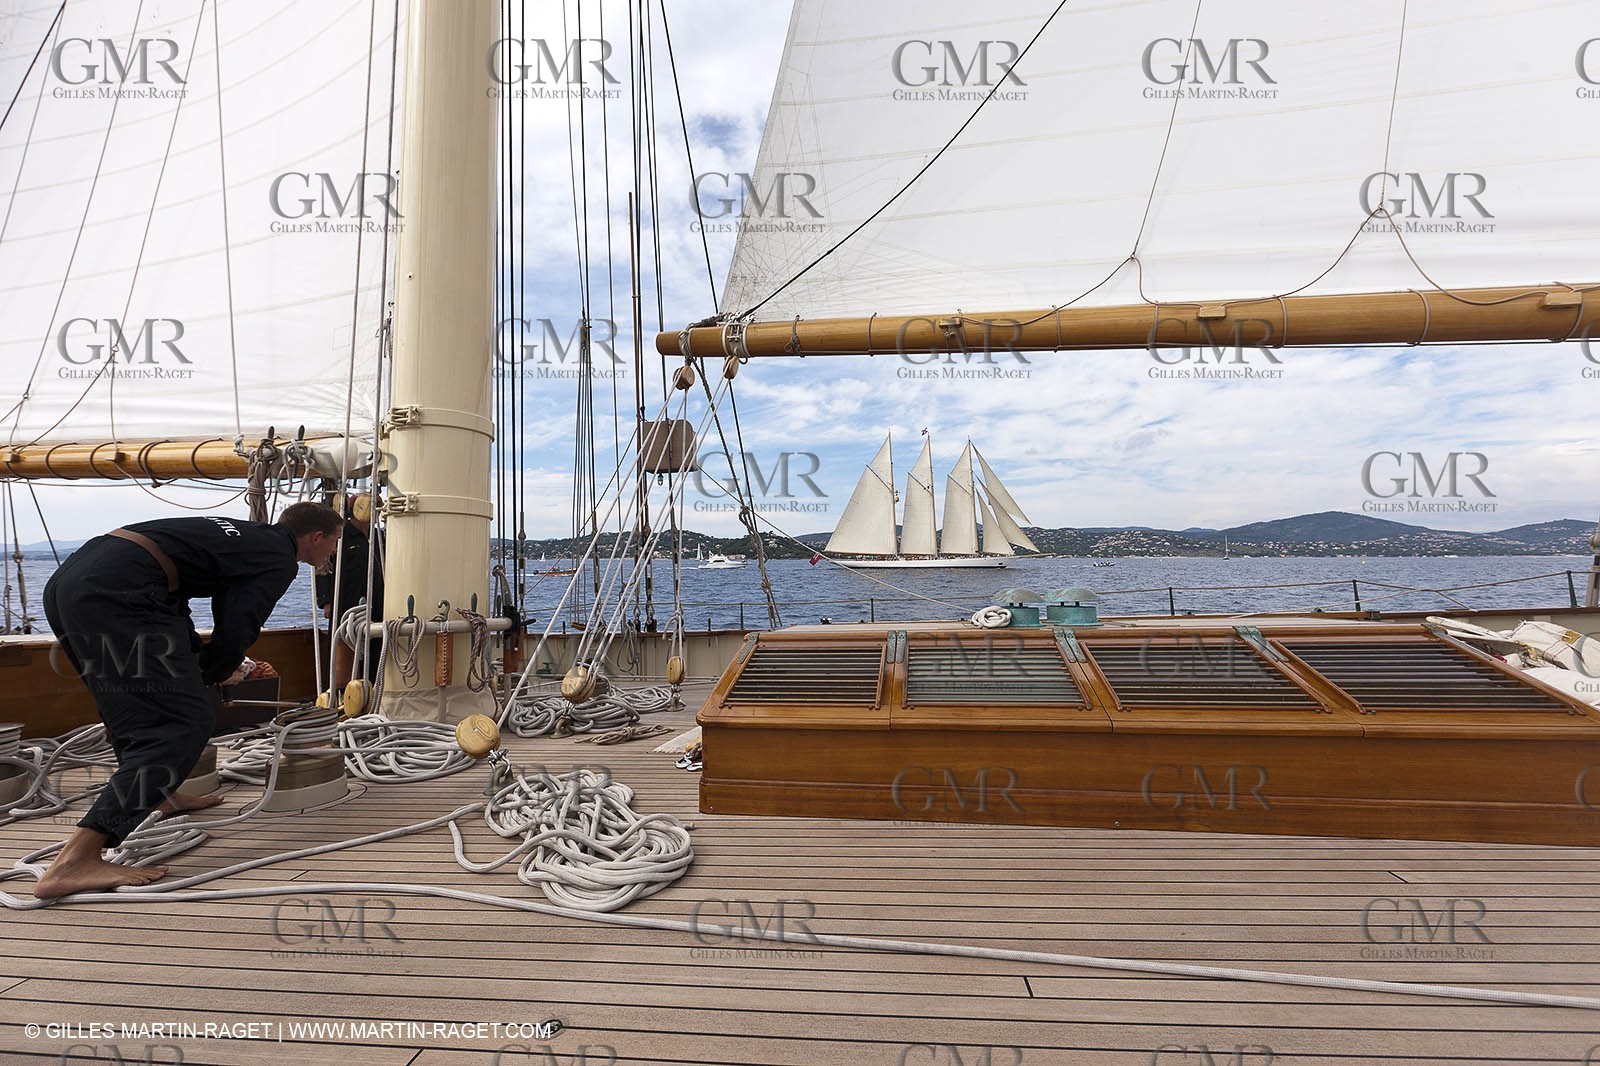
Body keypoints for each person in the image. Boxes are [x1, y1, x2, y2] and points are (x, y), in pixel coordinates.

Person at [33, 502, 343, 899]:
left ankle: (162, 792)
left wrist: (196, 659)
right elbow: (237, 624)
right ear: (315, 537)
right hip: (117, 592)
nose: (332, 552)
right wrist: (216, 671)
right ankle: (75, 858)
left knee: (130, 705)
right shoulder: (279, 558)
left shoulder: (247, 538)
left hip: (73, 582)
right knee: (182, 724)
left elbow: (172, 594)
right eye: (334, 542)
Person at [314, 495, 384, 689]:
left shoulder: (379, 536)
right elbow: (323, 567)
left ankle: (373, 688)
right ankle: (339, 692)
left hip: (377, 602)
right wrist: (326, 601)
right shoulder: (341, 536)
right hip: (347, 603)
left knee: (376, 647)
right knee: (344, 650)